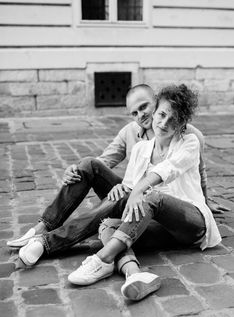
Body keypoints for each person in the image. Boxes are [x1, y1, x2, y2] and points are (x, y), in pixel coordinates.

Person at [7, 84, 217, 265]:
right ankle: (43, 227)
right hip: (135, 195)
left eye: (144, 107)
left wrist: (204, 206)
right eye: (134, 113)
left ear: (157, 102)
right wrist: (78, 169)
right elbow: (104, 161)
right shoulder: (130, 132)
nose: (140, 116)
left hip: (162, 201)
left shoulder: (189, 135)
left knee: (134, 198)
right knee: (88, 165)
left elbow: (197, 172)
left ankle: (51, 243)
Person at [66, 84, 222, 301]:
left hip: (191, 223)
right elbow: (124, 179)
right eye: (162, 114)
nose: (164, 122)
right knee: (108, 224)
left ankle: (101, 259)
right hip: (162, 228)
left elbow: (168, 170)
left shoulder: (190, 141)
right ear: (156, 110)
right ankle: (134, 274)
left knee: (152, 196)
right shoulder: (142, 148)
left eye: (174, 119)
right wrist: (124, 188)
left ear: (182, 124)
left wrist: (138, 190)